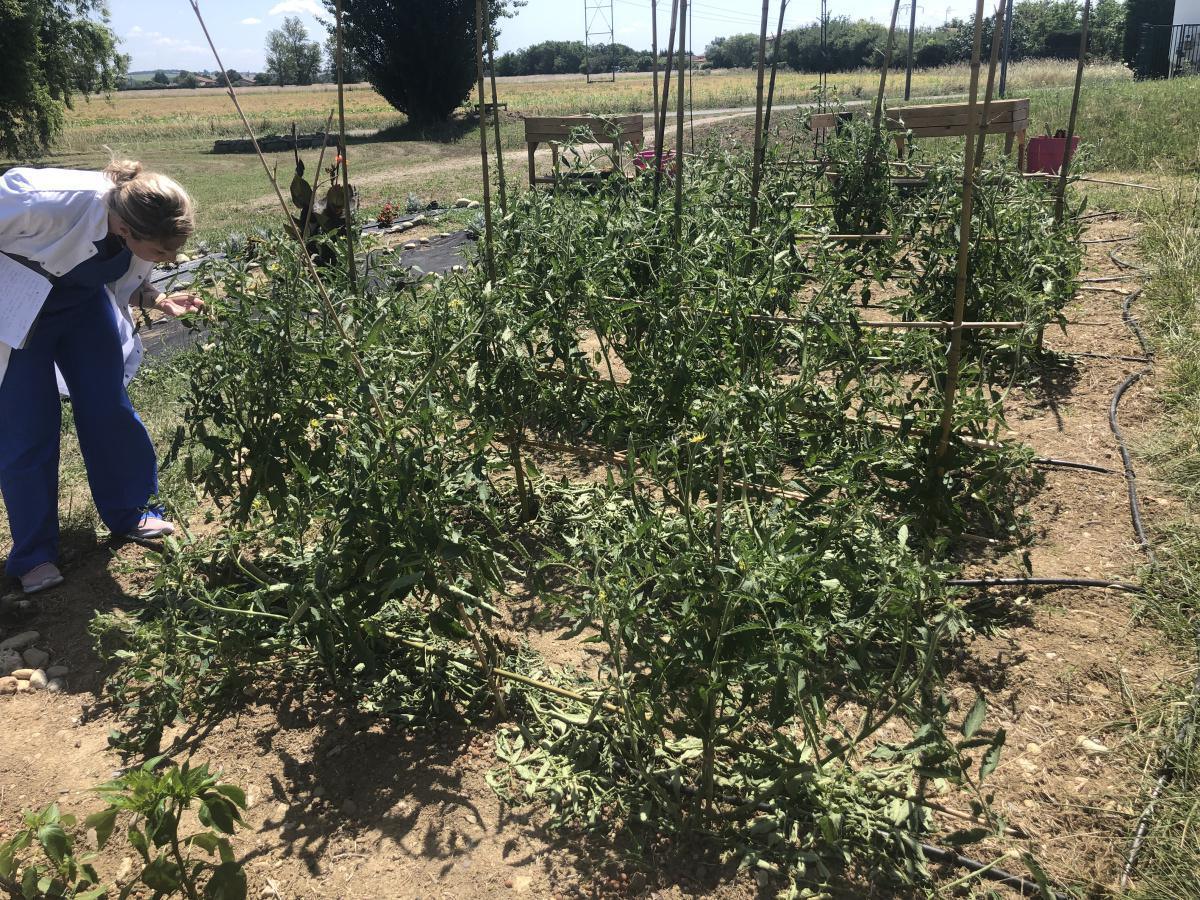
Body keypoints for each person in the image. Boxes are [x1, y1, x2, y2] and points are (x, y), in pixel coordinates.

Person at [0, 160, 204, 595]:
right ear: (127, 231)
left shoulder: (134, 221)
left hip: (79, 307)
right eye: (163, 253)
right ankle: (34, 554)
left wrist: (158, 296)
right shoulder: (44, 202)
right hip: (15, 310)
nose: (171, 260)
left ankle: (132, 509)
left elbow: (126, 277)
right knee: (27, 427)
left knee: (107, 406)